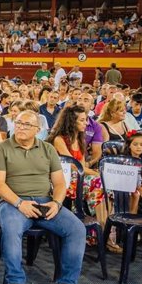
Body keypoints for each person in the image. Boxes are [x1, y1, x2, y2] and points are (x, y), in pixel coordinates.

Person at [0, 110, 86, 284]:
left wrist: (57, 203)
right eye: (18, 123)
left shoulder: (48, 149)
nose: (21, 127)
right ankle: (15, 283)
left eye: (27, 125)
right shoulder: (2, 148)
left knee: (77, 229)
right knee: (11, 228)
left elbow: (60, 183)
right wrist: (19, 203)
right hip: (12, 203)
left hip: (45, 202)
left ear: (38, 130)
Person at [47, 105, 119, 252]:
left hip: (78, 179)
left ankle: (104, 231)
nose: (86, 123)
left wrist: (95, 174)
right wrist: (97, 174)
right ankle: (104, 232)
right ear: (71, 121)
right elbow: (74, 167)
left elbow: (82, 166)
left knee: (105, 185)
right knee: (100, 182)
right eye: (82, 120)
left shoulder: (80, 139)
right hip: (61, 179)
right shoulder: (60, 139)